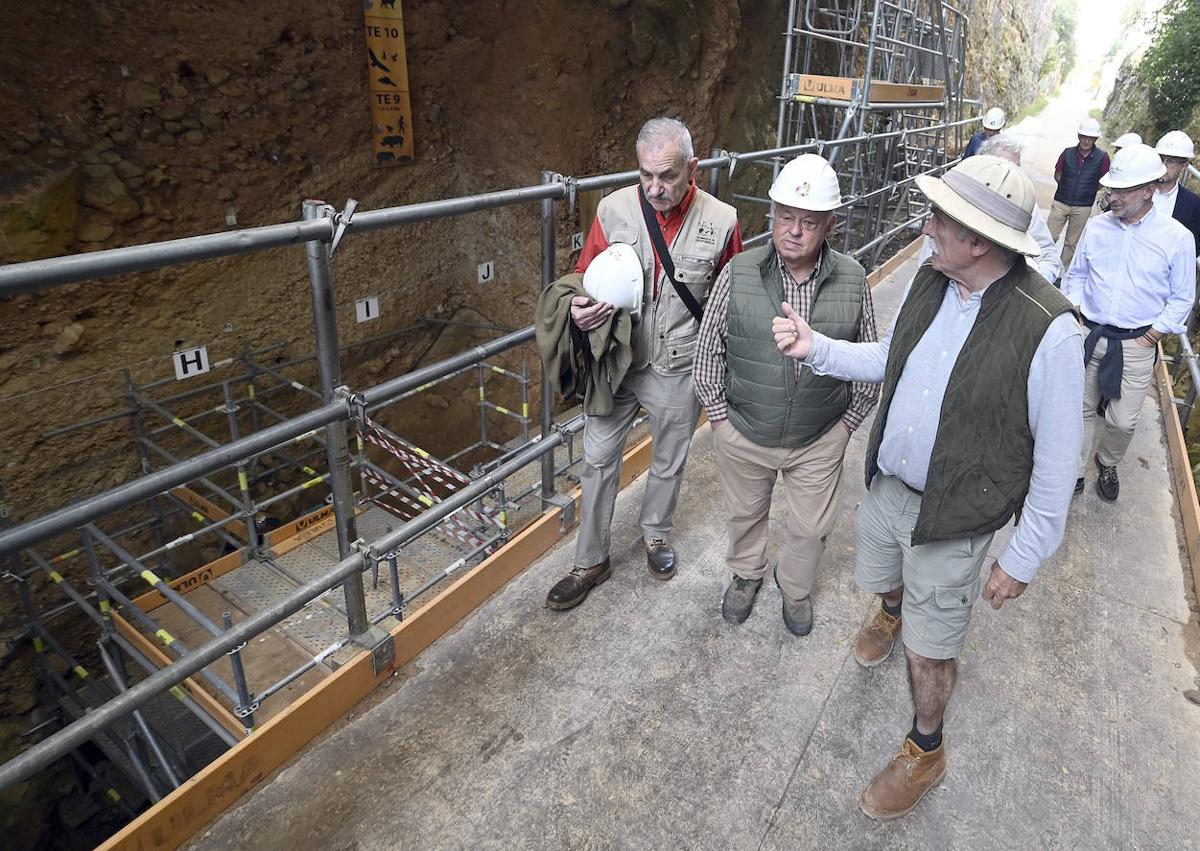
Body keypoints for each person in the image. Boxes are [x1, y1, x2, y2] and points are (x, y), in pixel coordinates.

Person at [771, 154, 1084, 819]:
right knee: (881, 576)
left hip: (956, 513)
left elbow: (1058, 460)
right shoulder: (929, 279)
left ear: (979, 237)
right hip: (892, 487)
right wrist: (815, 346)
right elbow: (889, 357)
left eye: (941, 218)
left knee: (929, 647)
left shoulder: (1048, 328)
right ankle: (893, 606)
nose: (929, 226)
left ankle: (926, 746)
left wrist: (1022, 556)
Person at [544, 117, 743, 611]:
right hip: (616, 362)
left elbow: (729, 302)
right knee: (596, 459)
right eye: (645, 174)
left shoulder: (723, 221)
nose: (655, 187)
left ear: (692, 169)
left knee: (668, 460)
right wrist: (577, 307)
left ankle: (655, 534)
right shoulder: (612, 209)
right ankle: (590, 560)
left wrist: (723, 372)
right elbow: (582, 276)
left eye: (668, 176)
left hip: (679, 365)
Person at [693, 154, 878, 636]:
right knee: (744, 512)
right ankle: (746, 573)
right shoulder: (739, 271)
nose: (794, 230)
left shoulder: (853, 280)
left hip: (818, 437)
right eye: (785, 217)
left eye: (809, 221)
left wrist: (846, 428)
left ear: (829, 225)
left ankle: (794, 588)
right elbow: (709, 349)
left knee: (812, 528)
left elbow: (870, 360)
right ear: (772, 216)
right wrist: (720, 420)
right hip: (745, 429)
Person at [1063, 143, 1197, 501]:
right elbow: (1075, 275)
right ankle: (1074, 470)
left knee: (1123, 421)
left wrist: (1153, 335)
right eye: (1112, 188)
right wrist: (1077, 311)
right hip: (1089, 334)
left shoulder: (1176, 238)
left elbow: (1183, 296)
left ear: (1148, 190)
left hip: (1136, 343)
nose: (1112, 196)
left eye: (1122, 189)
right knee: (1079, 408)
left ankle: (1107, 461)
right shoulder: (1096, 228)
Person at [917, 133, 1060, 283]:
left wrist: (1029, 289)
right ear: (981, 164)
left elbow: (1048, 255)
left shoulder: (1025, 211)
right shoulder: (952, 208)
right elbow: (925, 264)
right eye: (1002, 167)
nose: (1011, 176)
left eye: (1016, 168)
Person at [1048, 118, 1110, 269]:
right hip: (1061, 201)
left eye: (1090, 138)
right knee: (1049, 236)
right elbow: (1058, 174)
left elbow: (1104, 180)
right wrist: (1066, 187)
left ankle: (1060, 273)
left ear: (1095, 139)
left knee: (1071, 243)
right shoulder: (1067, 153)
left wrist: (1088, 190)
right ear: (1079, 136)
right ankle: (1038, 266)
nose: (1086, 141)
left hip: (1083, 206)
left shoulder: (1102, 157)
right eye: (1084, 137)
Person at [1152, 131, 1200, 250]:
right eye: (1161, 158)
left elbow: (1192, 246)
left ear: (1184, 166)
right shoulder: (1135, 188)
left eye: (1171, 161)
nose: (1163, 165)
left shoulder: (1192, 205)